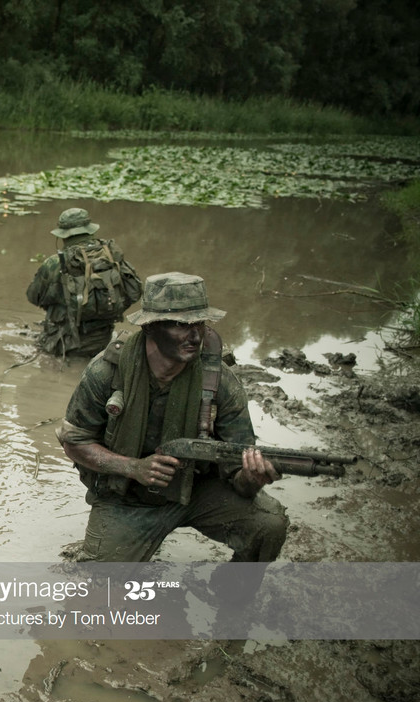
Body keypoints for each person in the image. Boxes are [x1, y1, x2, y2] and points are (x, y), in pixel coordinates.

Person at [56, 272, 289, 562]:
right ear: (151, 327)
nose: (194, 335)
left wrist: (253, 478)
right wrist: (133, 467)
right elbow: (74, 442)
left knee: (270, 525)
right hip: (127, 497)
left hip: (198, 491)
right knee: (99, 588)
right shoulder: (107, 373)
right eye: (181, 325)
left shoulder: (220, 382)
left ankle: (232, 594)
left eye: (199, 324)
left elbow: (237, 476)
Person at [26, 207, 142, 358]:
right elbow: (135, 292)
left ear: (63, 235)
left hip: (64, 344)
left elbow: (33, 296)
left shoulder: (55, 263)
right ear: (90, 230)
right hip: (104, 340)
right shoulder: (110, 255)